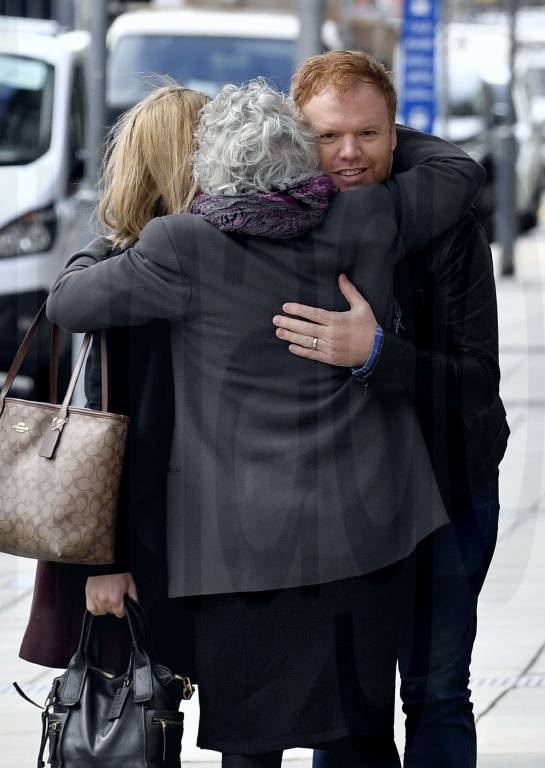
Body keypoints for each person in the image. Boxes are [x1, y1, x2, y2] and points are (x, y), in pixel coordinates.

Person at [44, 78, 484, 767]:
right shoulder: (365, 215)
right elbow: (458, 171)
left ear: (209, 168)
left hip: (237, 549)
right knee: (361, 734)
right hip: (362, 538)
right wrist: (378, 132)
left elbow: (69, 303)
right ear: (301, 157)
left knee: (250, 744)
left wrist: (102, 244)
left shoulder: (177, 245)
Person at [270, 51, 509, 768]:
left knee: (436, 693)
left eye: (367, 135)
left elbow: (475, 380)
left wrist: (376, 353)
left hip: (448, 488)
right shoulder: (275, 226)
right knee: (346, 706)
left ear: (394, 133)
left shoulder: (446, 225)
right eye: (328, 136)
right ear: (295, 137)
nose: (349, 153)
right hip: (336, 503)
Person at [19, 83, 209, 672]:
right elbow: (104, 423)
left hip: (174, 526)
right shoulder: (128, 277)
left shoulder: (125, 265)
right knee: (137, 720)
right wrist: (106, 563)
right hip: (135, 538)